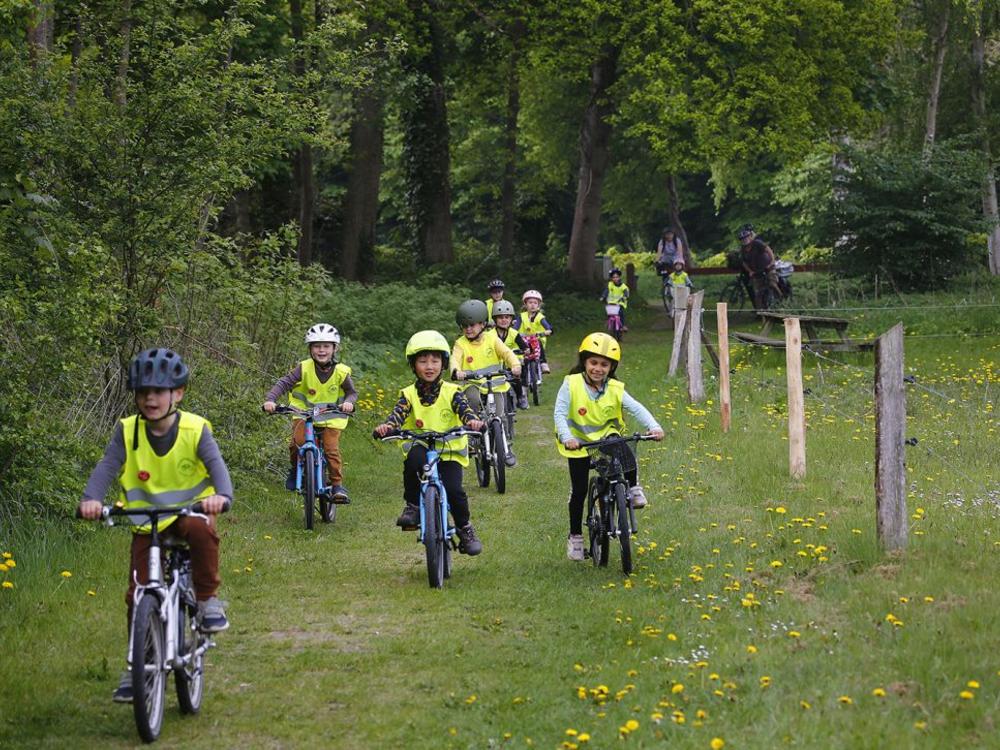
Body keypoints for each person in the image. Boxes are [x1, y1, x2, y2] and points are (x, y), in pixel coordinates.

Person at [77, 348, 233, 703]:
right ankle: (138, 666)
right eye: (143, 392)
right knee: (137, 596)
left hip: (188, 513)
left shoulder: (195, 429)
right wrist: (91, 499)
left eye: (159, 391)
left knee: (200, 531)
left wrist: (221, 496)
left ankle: (208, 600)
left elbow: (217, 469)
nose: (150, 399)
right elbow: (106, 467)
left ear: (177, 394)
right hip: (146, 523)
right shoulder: (127, 430)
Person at [554, 333, 664, 561]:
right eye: (593, 362)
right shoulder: (571, 383)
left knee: (626, 448)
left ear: (612, 367)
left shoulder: (615, 388)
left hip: (606, 439)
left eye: (604, 364)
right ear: (584, 361)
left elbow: (636, 408)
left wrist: (653, 426)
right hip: (578, 443)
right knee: (579, 491)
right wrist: (567, 437)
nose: (598, 369)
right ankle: (575, 537)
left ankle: (632, 488)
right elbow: (560, 414)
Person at [373, 331, 485, 555]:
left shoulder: (453, 392)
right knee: (413, 460)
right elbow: (397, 415)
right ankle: (413, 505)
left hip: (449, 451)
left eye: (435, 361)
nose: (429, 366)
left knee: (455, 491)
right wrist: (387, 427)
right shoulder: (408, 394)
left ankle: (465, 528)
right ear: (413, 365)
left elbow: (465, 410)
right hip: (422, 446)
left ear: (443, 364)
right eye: (423, 361)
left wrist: (472, 421)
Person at [262, 323, 357, 502]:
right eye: (317, 346)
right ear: (310, 349)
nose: (321, 350)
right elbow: (284, 383)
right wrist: (270, 400)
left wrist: (348, 403)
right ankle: (295, 470)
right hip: (304, 415)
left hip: (331, 417)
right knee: (296, 444)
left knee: (331, 449)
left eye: (326, 346)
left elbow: (352, 393)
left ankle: (337, 485)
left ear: (334, 348)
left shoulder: (341, 372)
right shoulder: (303, 368)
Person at [452, 299, 521, 466]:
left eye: (472, 325)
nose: (468, 329)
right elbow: (454, 360)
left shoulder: (492, 339)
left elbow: (507, 353)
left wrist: (515, 364)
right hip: (473, 384)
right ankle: (471, 437)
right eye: (465, 326)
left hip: (495, 383)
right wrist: (456, 371)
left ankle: (505, 447)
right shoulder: (460, 344)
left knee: (500, 414)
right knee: (472, 401)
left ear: (483, 324)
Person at [492, 299, 530, 410]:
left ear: (511, 319)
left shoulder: (514, 333)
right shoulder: (489, 335)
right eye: (500, 317)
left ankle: (520, 397)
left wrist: (525, 350)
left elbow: (524, 347)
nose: (504, 320)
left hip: (509, 364)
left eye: (507, 317)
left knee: (516, 376)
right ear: (495, 319)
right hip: (495, 365)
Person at [737, 224, 782, 310]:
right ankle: (760, 312)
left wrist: (772, 262)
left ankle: (781, 300)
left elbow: (768, 250)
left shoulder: (757, 243)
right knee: (758, 292)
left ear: (750, 237)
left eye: (746, 238)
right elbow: (743, 262)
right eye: (743, 239)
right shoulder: (743, 249)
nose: (745, 240)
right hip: (757, 271)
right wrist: (750, 271)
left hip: (768, 267)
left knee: (772, 284)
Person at [515, 289, 553, 374]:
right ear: (525, 304)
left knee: (537, 341)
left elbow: (548, 327)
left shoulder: (540, 317)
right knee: (521, 359)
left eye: (535, 303)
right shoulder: (521, 316)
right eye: (530, 302)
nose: (532, 305)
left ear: (538, 305)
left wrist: (548, 331)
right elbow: (515, 327)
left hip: (537, 340)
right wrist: (513, 332)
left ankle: (543, 362)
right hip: (524, 340)